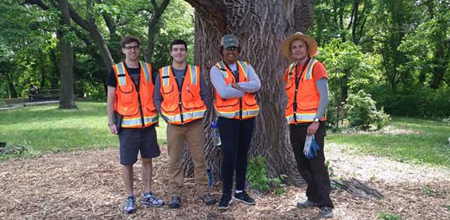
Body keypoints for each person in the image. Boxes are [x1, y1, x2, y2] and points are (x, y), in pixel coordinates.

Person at [154, 39, 216, 209]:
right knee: (174, 160)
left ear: (186, 52)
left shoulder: (195, 72)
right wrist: (166, 117)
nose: (179, 52)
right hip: (173, 125)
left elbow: (206, 95)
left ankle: (204, 191)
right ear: (171, 53)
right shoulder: (163, 73)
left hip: (194, 125)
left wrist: (201, 114)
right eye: (175, 49)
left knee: (199, 159)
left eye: (182, 49)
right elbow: (157, 98)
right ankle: (175, 193)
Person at [106, 36, 164, 214]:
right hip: (127, 126)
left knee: (148, 159)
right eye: (129, 48)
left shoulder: (147, 68)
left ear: (139, 49)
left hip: (147, 124)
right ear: (123, 50)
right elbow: (110, 98)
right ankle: (130, 197)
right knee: (128, 162)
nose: (132, 50)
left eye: (135, 47)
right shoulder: (115, 71)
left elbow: (157, 93)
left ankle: (147, 194)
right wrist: (111, 122)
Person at [280, 32, 334, 218]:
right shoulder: (291, 70)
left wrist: (316, 121)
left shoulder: (317, 66)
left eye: (300, 47)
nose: (297, 50)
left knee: (317, 164)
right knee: (302, 165)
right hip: (295, 124)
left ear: (307, 49)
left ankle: (326, 204)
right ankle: (313, 197)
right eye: (294, 47)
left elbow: (324, 97)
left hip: (313, 125)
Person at [210, 34, 261, 210]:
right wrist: (245, 89)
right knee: (229, 155)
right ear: (221, 51)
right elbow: (223, 92)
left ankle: (240, 191)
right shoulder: (216, 69)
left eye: (233, 48)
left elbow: (257, 85)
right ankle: (226, 194)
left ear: (238, 50)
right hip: (228, 119)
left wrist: (236, 86)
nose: (230, 51)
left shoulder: (246, 66)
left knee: (242, 154)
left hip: (247, 118)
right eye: (227, 48)